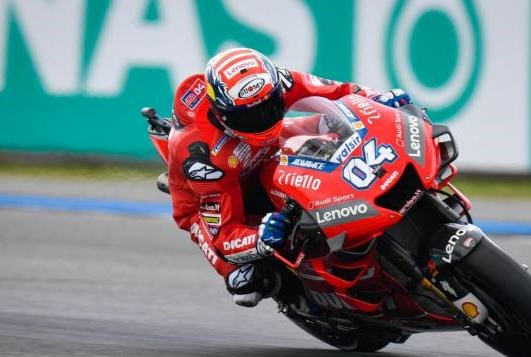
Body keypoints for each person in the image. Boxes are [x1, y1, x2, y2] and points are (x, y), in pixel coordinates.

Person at [166, 48, 412, 307]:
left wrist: (377, 99)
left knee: (333, 123)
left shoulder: (277, 83)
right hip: (212, 197)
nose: (262, 119)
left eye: (269, 106)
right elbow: (224, 236)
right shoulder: (203, 158)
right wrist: (259, 239)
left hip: (267, 151)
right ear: (221, 113)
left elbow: (341, 92)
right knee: (246, 282)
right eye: (248, 116)